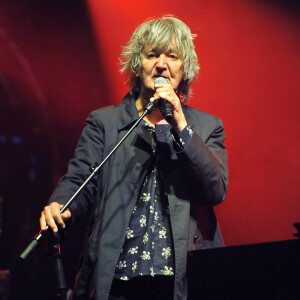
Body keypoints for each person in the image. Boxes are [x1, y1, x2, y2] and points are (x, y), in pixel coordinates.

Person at [40, 16, 228, 300]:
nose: (161, 64)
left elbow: (215, 188)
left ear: (184, 68)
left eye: (172, 56)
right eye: (152, 55)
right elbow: (80, 179)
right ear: (137, 65)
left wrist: (180, 124)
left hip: (180, 281)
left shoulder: (206, 127)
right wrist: (60, 204)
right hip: (117, 279)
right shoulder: (105, 122)